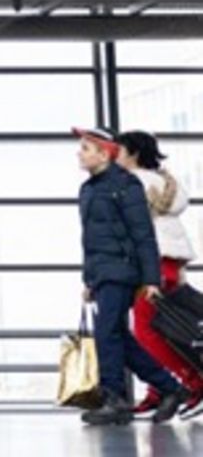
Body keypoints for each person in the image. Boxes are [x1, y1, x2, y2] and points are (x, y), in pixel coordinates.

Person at [73, 126, 189, 426]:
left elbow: (143, 235)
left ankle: (115, 398)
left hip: (122, 271)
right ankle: (170, 388)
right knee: (116, 335)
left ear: (104, 154)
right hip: (103, 272)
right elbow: (91, 241)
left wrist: (151, 279)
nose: (79, 153)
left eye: (86, 148)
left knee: (107, 333)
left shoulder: (127, 186)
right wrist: (89, 280)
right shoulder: (89, 189)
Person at [117, 130, 203, 419]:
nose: (115, 157)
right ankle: (158, 390)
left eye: (120, 151)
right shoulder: (163, 183)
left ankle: (193, 384)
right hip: (168, 263)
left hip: (152, 264)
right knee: (155, 328)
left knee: (145, 331)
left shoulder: (135, 183)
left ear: (133, 154)